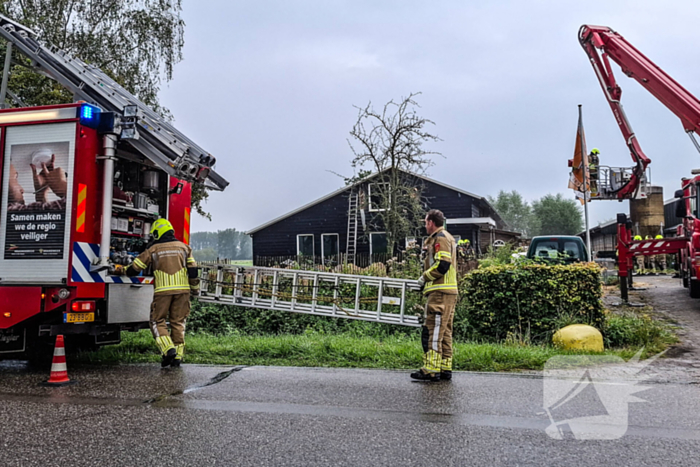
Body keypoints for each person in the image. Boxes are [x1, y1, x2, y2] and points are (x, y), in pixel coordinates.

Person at [113, 218, 199, 367]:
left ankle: (168, 349)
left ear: (157, 234)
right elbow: (193, 271)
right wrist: (195, 289)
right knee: (178, 322)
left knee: (156, 321)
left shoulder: (153, 250)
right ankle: (177, 357)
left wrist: (121, 269)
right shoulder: (185, 248)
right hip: (183, 291)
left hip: (163, 291)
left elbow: (135, 269)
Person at [412, 209, 458, 382]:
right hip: (448, 291)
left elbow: (443, 265)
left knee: (433, 330)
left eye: (425, 222)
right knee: (445, 331)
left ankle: (430, 369)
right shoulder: (448, 237)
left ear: (431, 222)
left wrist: (424, 278)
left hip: (440, 292)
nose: (425, 225)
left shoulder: (440, 238)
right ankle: (445, 368)